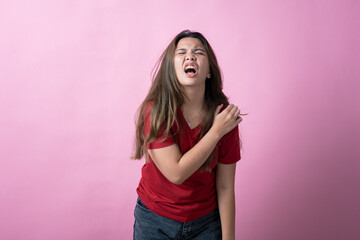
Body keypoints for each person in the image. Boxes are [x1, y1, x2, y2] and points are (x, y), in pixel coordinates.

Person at [132, 29, 244, 240]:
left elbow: (226, 186)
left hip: (205, 223)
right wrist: (216, 131)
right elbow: (176, 173)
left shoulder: (224, 116)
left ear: (209, 70)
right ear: (171, 69)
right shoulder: (156, 111)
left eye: (199, 52)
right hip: (154, 220)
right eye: (181, 52)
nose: (190, 56)